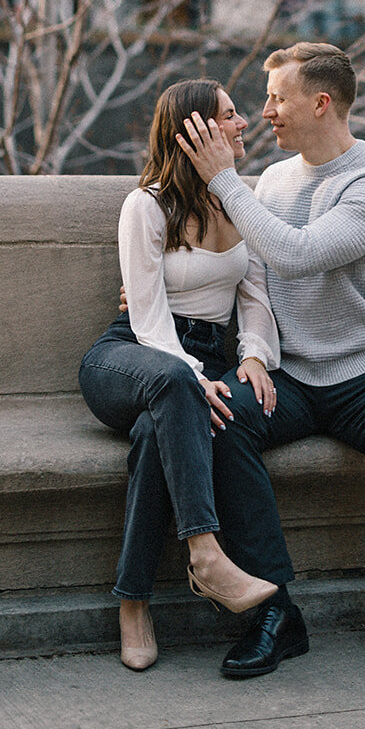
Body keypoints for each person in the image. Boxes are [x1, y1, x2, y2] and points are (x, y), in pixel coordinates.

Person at [175, 41, 365, 679]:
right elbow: (254, 276)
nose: (264, 111)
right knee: (218, 419)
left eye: (277, 97)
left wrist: (222, 182)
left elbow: (293, 253)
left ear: (322, 103)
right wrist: (252, 351)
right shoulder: (274, 179)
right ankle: (274, 609)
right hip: (286, 373)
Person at [79, 79, 280, 670]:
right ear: (194, 132)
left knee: (153, 436)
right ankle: (206, 554)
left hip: (206, 358)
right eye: (228, 115)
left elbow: (256, 295)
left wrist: (251, 356)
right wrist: (192, 375)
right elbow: (146, 318)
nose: (243, 123)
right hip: (131, 357)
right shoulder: (147, 204)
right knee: (173, 385)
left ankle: (133, 602)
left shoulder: (242, 203)